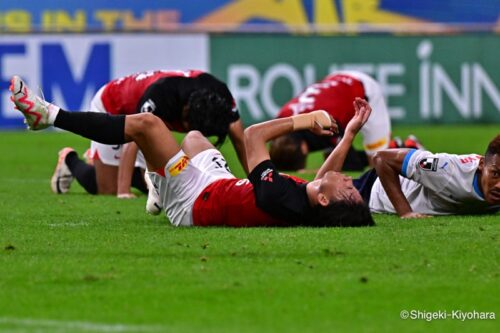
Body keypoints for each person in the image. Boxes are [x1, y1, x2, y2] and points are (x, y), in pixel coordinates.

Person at [10, 75, 374, 227]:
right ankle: (155, 184)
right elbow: (327, 176)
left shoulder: (282, 197)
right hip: (218, 182)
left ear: (325, 202)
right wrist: (348, 135)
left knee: (148, 126)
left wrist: (305, 119)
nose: (347, 181)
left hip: (193, 200)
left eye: (347, 189)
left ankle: (49, 116)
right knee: (196, 136)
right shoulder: (312, 199)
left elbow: (252, 137)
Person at [49, 69, 248, 198]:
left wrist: (256, 180)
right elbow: (134, 137)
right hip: (113, 107)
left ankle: (102, 159)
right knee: (106, 188)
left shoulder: (219, 96)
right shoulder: (162, 96)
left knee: (159, 187)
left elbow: (240, 140)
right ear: (186, 112)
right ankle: (70, 160)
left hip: (143, 115)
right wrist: (123, 192)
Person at [270, 70, 422, 172]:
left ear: (303, 148)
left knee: (378, 162)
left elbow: (351, 165)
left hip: (364, 89)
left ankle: (408, 146)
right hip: (337, 80)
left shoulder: (322, 125)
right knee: (335, 153)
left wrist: (314, 172)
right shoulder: (281, 119)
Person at [352, 137, 500, 217]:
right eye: (495, 174)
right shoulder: (447, 169)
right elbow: (381, 158)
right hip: (374, 190)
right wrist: (406, 212)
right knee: (329, 194)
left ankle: (413, 147)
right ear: (482, 164)